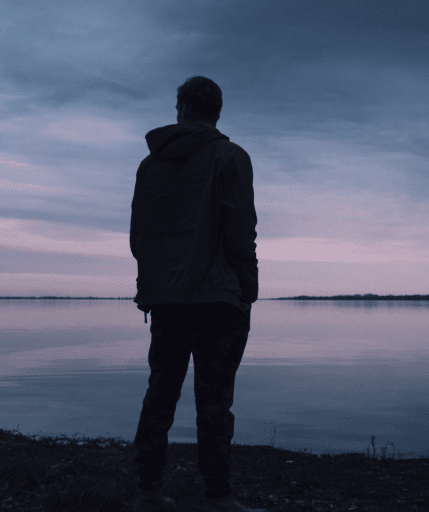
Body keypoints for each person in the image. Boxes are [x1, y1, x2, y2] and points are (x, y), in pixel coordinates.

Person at [130, 76, 263, 512]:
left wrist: (151, 285)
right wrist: (249, 288)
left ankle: (146, 492)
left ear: (181, 110)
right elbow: (241, 230)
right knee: (214, 402)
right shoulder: (231, 156)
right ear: (217, 111)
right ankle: (217, 498)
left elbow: (139, 235)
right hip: (218, 299)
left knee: (160, 395)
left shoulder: (150, 166)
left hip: (167, 298)